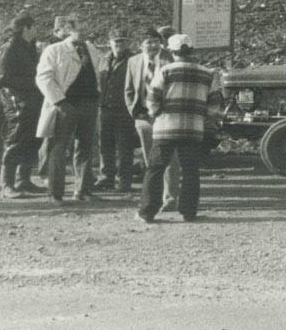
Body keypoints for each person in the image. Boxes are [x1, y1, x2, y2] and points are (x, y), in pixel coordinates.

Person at [139, 34, 220, 222]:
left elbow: (152, 99)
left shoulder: (165, 71)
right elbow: (214, 105)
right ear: (192, 51)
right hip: (193, 129)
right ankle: (188, 212)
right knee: (191, 169)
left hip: (165, 128)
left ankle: (147, 212)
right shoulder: (208, 74)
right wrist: (202, 117)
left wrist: (157, 114)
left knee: (156, 169)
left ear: (172, 52)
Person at [34, 15, 104, 202]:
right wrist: (60, 102)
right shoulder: (54, 50)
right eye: (79, 28)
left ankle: (83, 190)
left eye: (86, 27)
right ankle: (55, 193)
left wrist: (97, 97)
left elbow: (96, 75)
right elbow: (44, 78)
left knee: (85, 147)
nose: (83, 31)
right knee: (59, 147)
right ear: (68, 29)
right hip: (66, 105)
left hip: (88, 103)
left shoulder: (91, 49)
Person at [126, 29, 180, 209]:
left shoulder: (170, 59)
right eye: (148, 42)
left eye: (156, 41)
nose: (153, 45)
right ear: (141, 45)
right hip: (143, 115)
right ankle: (153, 196)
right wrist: (134, 112)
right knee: (151, 158)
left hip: (165, 115)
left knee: (170, 157)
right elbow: (129, 90)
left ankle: (170, 197)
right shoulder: (133, 61)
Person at [0, 13, 44, 198]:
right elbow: (1, 77)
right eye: (34, 26)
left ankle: (24, 180)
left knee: (32, 138)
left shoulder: (28, 47)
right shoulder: (9, 48)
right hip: (16, 98)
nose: (36, 30)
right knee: (16, 137)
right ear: (26, 28)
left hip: (31, 98)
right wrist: (31, 84)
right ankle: (7, 184)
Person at [92, 31, 137, 196]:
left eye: (123, 42)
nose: (119, 45)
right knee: (105, 145)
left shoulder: (133, 60)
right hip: (105, 108)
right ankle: (106, 177)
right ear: (110, 43)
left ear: (128, 43)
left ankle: (124, 180)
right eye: (116, 42)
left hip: (124, 109)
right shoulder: (103, 59)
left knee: (125, 146)